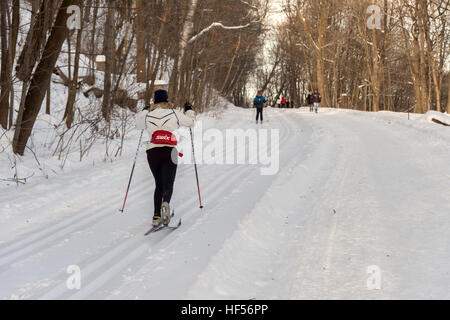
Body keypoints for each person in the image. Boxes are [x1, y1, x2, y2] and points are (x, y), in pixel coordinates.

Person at [135, 90, 195, 227]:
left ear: (154, 101)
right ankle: (166, 202)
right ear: (166, 101)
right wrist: (189, 110)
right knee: (168, 183)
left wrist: (144, 111)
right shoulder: (174, 112)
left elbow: (138, 125)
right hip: (169, 151)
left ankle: (156, 216)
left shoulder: (149, 114)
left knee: (159, 184)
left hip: (153, 152)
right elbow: (191, 122)